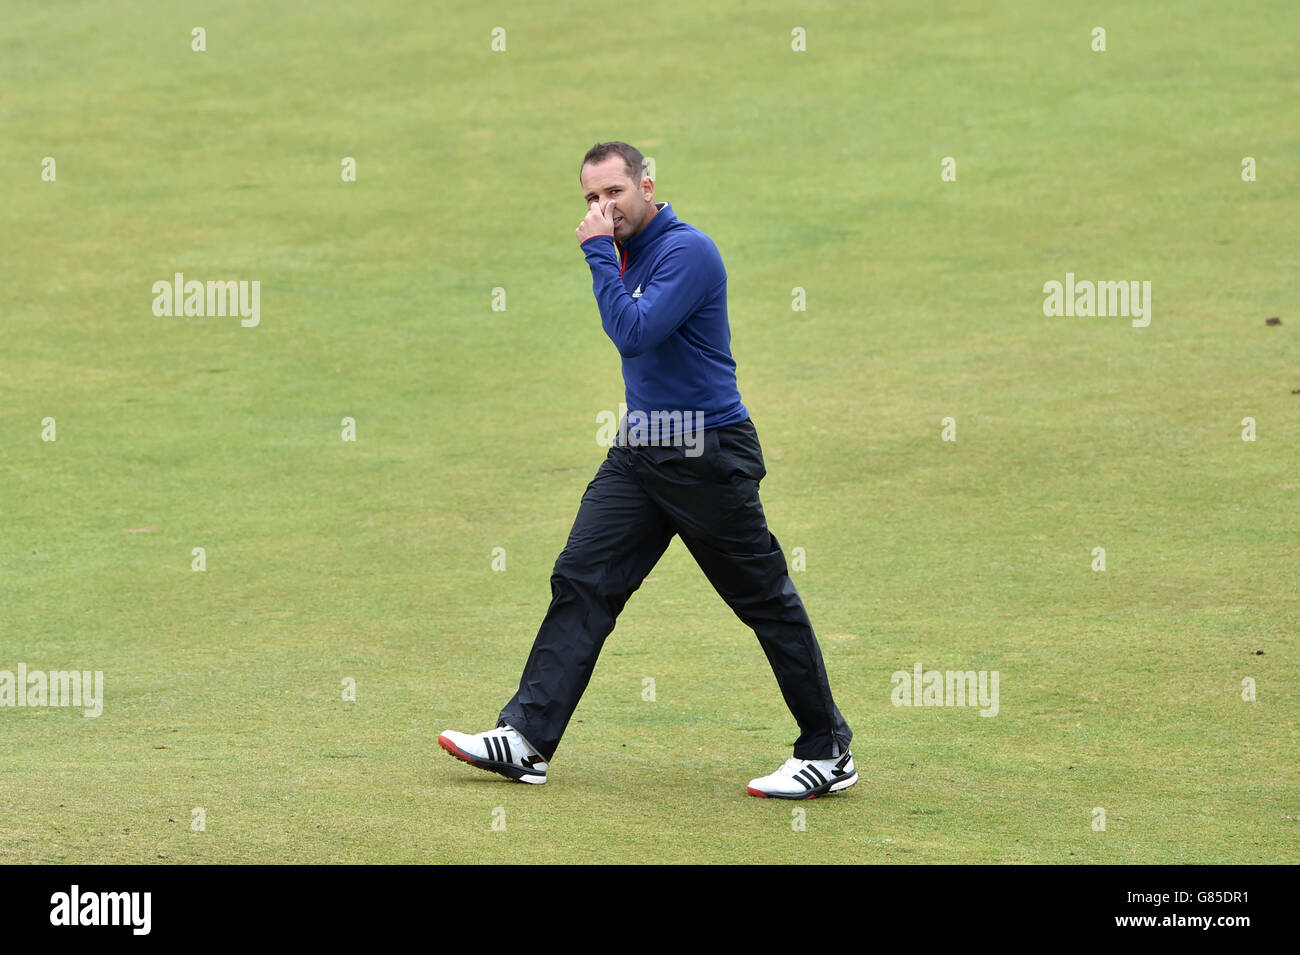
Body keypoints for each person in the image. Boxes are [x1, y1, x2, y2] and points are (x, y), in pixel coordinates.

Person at [439, 141, 854, 798]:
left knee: (763, 600)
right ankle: (526, 738)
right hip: (642, 447)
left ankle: (828, 749)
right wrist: (608, 255)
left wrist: (597, 253)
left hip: (706, 449)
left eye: (614, 194)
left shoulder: (688, 252)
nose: (603, 209)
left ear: (647, 186)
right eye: (591, 200)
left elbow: (634, 331)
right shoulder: (625, 253)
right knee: (582, 576)